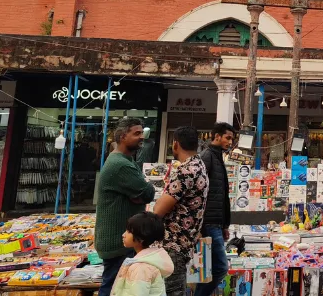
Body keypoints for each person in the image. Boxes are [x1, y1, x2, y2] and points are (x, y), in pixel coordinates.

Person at [96, 118, 156, 296]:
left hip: (121, 238)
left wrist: (138, 195)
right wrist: (140, 194)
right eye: (136, 133)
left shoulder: (124, 160)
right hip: (118, 241)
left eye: (141, 133)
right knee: (114, 288)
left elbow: (142, 192)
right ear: (123, 136)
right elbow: (148, 193)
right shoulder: (120, 165)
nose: (141, 137)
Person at [153, 127, 209, 296]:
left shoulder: (185, 171)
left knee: (172, 290)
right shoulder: (199, 165)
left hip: (173, 244)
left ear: (175, 144)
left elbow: (158, 210)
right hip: (185, 242)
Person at [196, 122, 234, 296]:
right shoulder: (207, 157)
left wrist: (225, 224)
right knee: (220, 267)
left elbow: (222, 194)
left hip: (215, 223)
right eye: (227, 137)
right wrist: (200, 226)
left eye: (232, 138)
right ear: (216, 136)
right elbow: (198, 192)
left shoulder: (218, 157)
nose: (230, 141)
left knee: (208, 269)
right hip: (208, 223)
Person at [110, 212, 173, 296]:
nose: (123, 235)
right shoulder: (149, 261)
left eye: (129, 231)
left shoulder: (140, 267)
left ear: (141, 237)